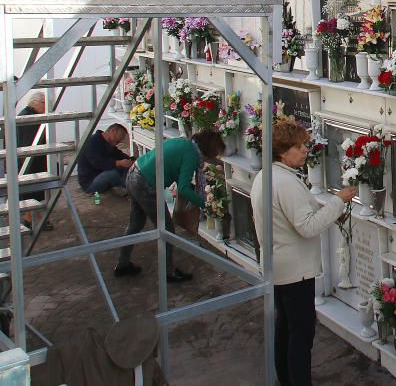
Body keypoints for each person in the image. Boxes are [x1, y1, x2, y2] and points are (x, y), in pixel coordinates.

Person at [251, 119, 356, 386]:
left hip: (278, 266)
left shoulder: (266, 175)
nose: (305, 150)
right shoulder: (284, 182)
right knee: (301, 333)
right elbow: (307, 227)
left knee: (285, 327)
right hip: (294, 271)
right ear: (282, 151)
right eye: (298, 146)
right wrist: (338, 201)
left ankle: (284, 379)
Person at [114, 130, 225, 282]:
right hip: (146, 184)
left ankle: (122, 264)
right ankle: (169, 272)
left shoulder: (184, 143)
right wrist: (204, 204)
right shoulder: (192, 155)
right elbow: (183, 188)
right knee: (166, 229)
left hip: (134, 173)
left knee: (135, 224)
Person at [78, 123, 133, 196]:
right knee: (114, 173)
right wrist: (119, 163)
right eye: (120, 138)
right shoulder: (91, 142)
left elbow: (118, 155)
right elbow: (98, 163)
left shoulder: (107, 142)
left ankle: (127, 186)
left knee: (127, 168)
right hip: (90, 183)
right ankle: (130, 188)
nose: (120, 141)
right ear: (113, 131)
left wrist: (131, 161)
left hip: (101, 175)